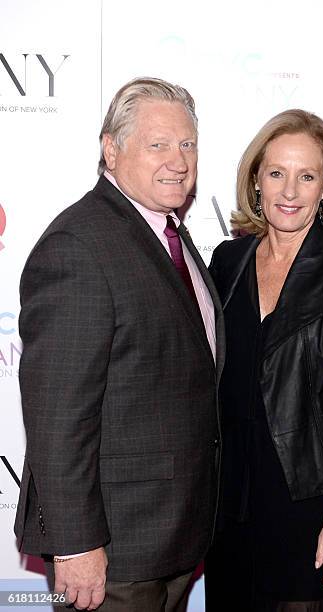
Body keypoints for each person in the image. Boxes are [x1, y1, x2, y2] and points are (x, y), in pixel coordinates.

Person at [14, 77, 224, 612]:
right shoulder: (80, 245)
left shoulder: (165, 231)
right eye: (158, 144)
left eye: (188, 144)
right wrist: (78, 542)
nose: (178, 160)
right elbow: (58, 417)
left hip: (171, 537)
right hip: (115, 551)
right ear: (112, 148)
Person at [204, 109, 323, 611]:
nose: (290, 191)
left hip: (307, 499)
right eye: (277, 173)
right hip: (229, 504)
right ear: (256, 180)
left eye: (306, 176)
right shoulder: (227, 261)